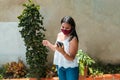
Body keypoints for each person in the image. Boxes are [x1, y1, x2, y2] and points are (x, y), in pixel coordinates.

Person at [42, 16, 79, 80]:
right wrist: (48, 44)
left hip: (70, 68)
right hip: (60, 65)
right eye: (62, 27)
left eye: (67, 28)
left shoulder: (73, 39)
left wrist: (63, 52)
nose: (64, 29)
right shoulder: (59, 35)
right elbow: (56, 49)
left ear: (72, 28)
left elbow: (71, 58)